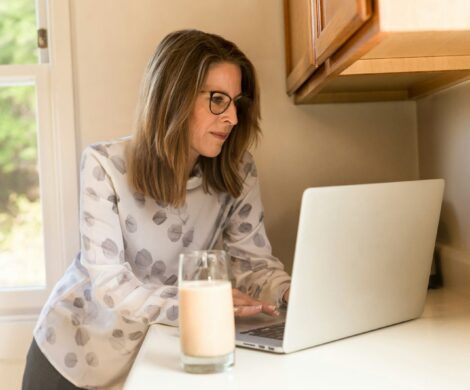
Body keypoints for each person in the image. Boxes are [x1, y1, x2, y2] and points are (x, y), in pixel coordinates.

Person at [22, 29, 291, 389]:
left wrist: (292, 293)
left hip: (151, 359)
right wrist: (202, 303)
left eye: (236, 103)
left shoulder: (238, 172)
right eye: (217, 100)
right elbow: (111, 286)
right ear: (173, 97)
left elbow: (252, 265)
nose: (232, 118)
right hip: (71, 356)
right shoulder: (104, 165)